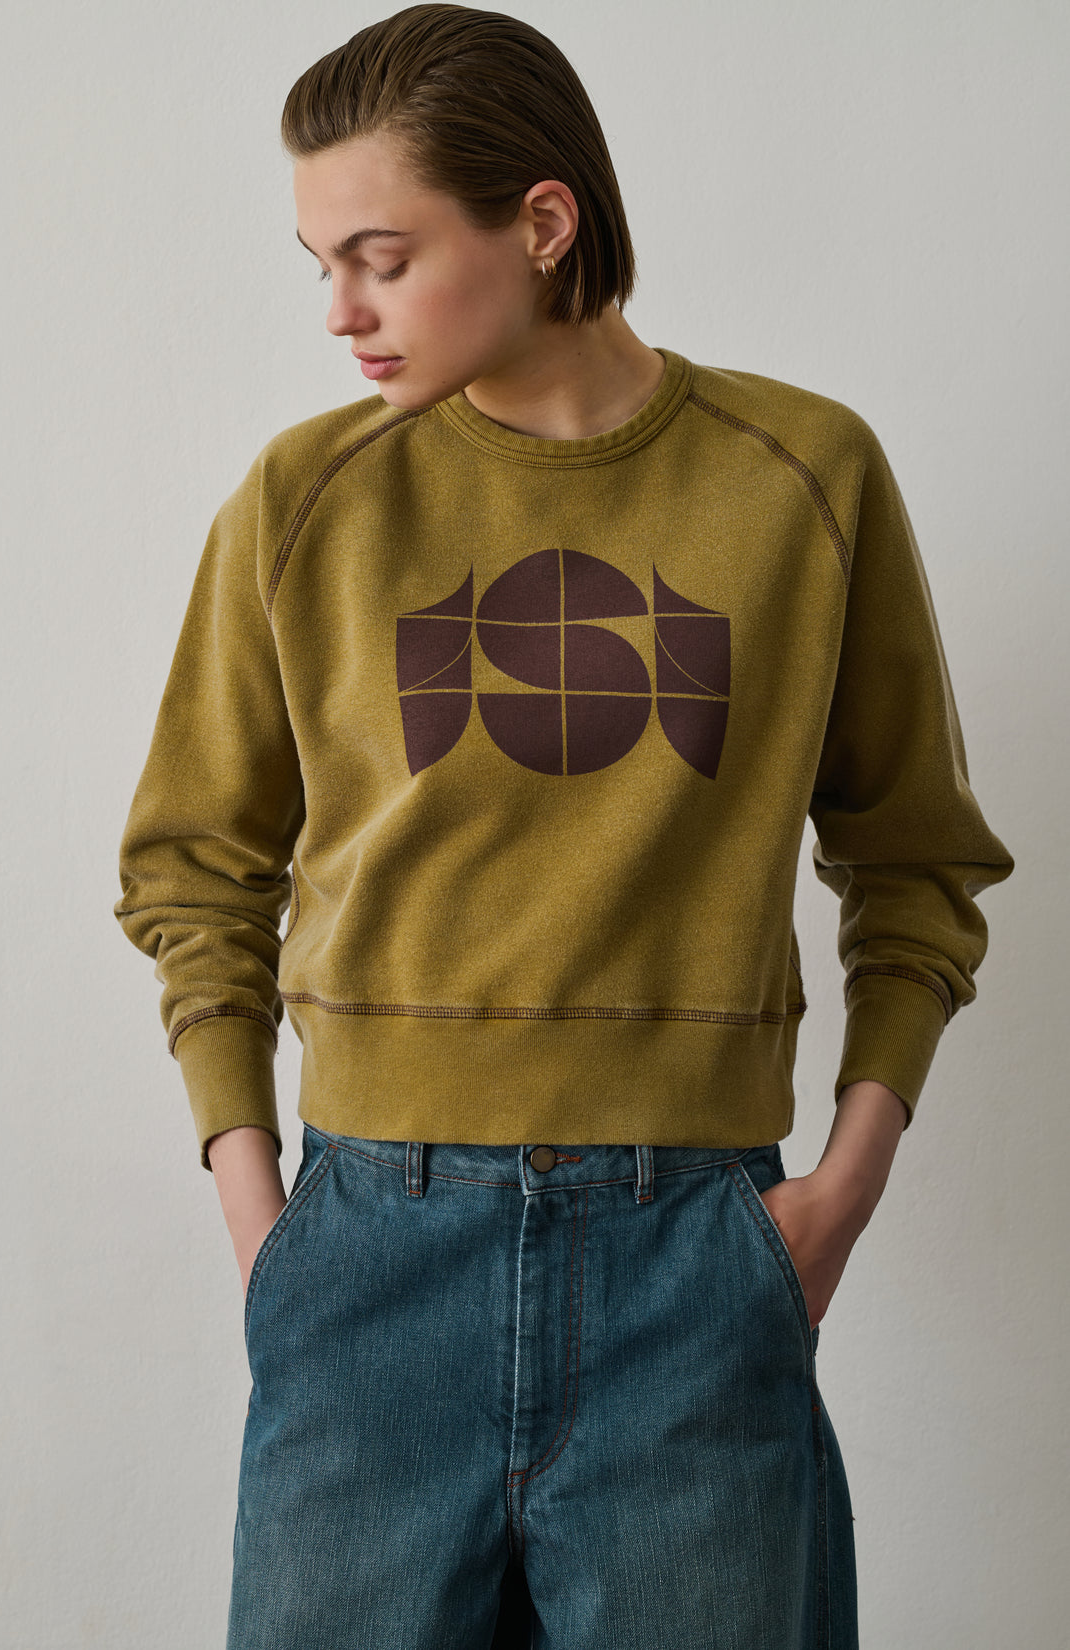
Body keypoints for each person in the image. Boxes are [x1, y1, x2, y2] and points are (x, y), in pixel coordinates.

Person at [113, 5, 1015, 1646]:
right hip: (368, 1262)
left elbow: (918, 864)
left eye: (382, 258)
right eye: (321, 263)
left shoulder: (805, 477)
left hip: (697, 1267)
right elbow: (194, 868)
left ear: (541, 222)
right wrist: (267, 1231)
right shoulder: (306, 500)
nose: (340, 312)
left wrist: (841, 1192)